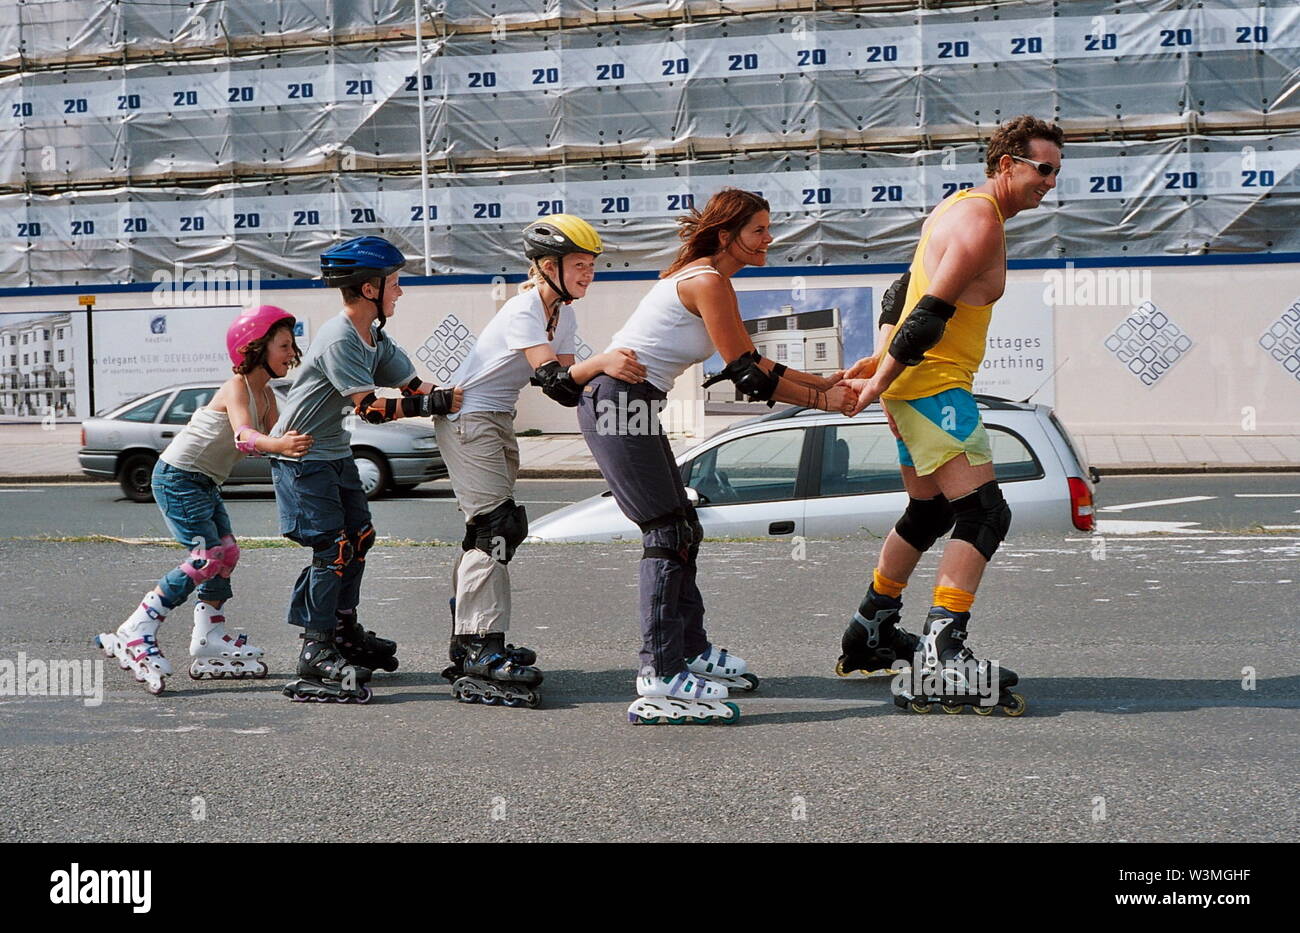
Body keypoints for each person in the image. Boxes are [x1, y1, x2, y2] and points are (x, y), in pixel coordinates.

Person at [578, 187, 855, 724]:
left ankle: (687, 650)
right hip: (617, 401)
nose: (769, 240)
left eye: (769, 229)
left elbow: (751, 363)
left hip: (630, 402)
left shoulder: (706, 277)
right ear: (726, 235)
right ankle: (659, 674)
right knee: (666, 529)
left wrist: (824, 384)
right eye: (758, 231)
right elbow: (750, 376)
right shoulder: (708, 281)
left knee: (684, 524)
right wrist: (826, 400)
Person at [835, 114, 1064, 716]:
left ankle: (872, 627)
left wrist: (881, 361)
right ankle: (942, 649)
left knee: (930, 508)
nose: (1050, 183)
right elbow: (930, 312)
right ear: (1007, 164)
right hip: (933, 386)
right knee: (986, 512)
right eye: (1043, 170)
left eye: (1057, 172)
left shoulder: (957, 207)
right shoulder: (981, 221)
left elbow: (899, 290)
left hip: (915, 384)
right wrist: (882, 376)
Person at [436, 214, 646, 708]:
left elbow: (565, 391)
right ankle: (478, 646)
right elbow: (553, 377)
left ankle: (471, 638)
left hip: (495, 418)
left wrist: (616, 382)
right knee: (494, 529)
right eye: (579, 264)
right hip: (469, 418)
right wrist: (603, 362)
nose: (588, 273)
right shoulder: (524, 308)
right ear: (547, 265)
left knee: (492, 532)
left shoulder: (563, 313)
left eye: (592, 265)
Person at [271, 235, 461, 703]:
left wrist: (467, 399)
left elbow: (415, 384)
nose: (400, 292)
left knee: (359, 538)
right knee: (331, 548)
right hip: (300, 459)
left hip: (333, 454)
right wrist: (432, 402)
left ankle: (342, 629)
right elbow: (372, 410)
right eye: (394, 283)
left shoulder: (373, 335)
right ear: (370, 288)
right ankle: (315, 648)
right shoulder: (339, 338)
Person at [94, 306, 312, 694]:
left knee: (227, 553)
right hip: (177, 477)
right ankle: (138, 627)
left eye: (291, 344)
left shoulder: (267, 396)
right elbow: (245, 436)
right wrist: (278, 443)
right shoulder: (238, 388)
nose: (290, 351)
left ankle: (209, 631)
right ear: (255, 348)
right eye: (282, 344)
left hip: (205, 482)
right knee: (205, 557)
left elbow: (278, 440)